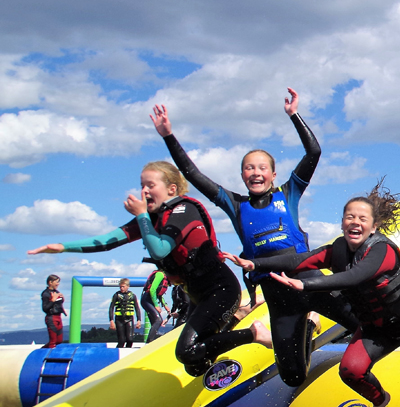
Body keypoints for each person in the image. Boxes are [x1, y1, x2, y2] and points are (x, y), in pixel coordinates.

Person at [151, 89, 357, 386]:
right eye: (249, 168)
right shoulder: (235, 204)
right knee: (292, 377)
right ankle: (309, 326)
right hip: (277, 295)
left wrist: (294, 116)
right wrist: (168, 136)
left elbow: (314, 152)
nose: (256, 172)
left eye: (262, 168)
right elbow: (193, 174)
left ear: (273, 175)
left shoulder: (289, 193)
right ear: (242, 175)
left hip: (309, 282)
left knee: (361, 324)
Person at [227, 183, 400, 407]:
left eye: (362, 218)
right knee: (350, 371)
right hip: (374, 329)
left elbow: (355, 276)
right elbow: (300, 260)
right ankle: (380, 401)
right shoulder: (337, 250)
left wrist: (306, 284)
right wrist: (255, 264)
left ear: (374, 226)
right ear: (342, 223)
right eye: (349, 217)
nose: (355, 222)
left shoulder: (382, 250)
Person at [28, 161, 272, 375]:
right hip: (198, 295)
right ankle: (238, 323)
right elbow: (107, 241)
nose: (144, 191)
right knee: (195, 365)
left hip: (220, 290)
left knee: (187, 351)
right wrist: (62, 247)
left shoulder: (184, 210)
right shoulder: (152, 219)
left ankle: (254, 333)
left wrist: (142, 216)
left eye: (150, 185)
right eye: (142, 186)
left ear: (171, 189)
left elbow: (160, 250)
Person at [109, 278, 142, 348]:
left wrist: (139, 320)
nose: (121, 288)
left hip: (129, 319)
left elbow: (137, 308)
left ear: (128, 286)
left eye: (123, 286)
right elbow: (111, 308)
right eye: (120, 287)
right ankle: (117, 352)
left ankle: (127, 351)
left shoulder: (132, 295)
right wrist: (111, 320)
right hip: (119, 320)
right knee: (121, 340)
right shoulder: (116, 295)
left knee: (130, 339)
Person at [141, 269, 170, 343]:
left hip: (150, 300)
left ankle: (151, 341)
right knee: (158, 320)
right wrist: (156, 305)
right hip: (146, 300)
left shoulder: (164, 277)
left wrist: (165, 305)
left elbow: (159, 294)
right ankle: (149, 342)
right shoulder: (160, 274)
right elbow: (152, 290)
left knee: (155, 322)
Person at [40, 275, 66, 349]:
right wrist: (53, 300)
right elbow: (45, 308)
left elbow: (58, 304)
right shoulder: (46, 293)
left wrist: (62, 298)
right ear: (50, 282)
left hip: (58, 317)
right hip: (51, 317)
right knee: (53, 341)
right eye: (56, 282)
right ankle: (44, 351)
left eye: (58, 282)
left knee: (59, 340)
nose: (58, 284)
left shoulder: (56, 292)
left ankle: (44, 349)